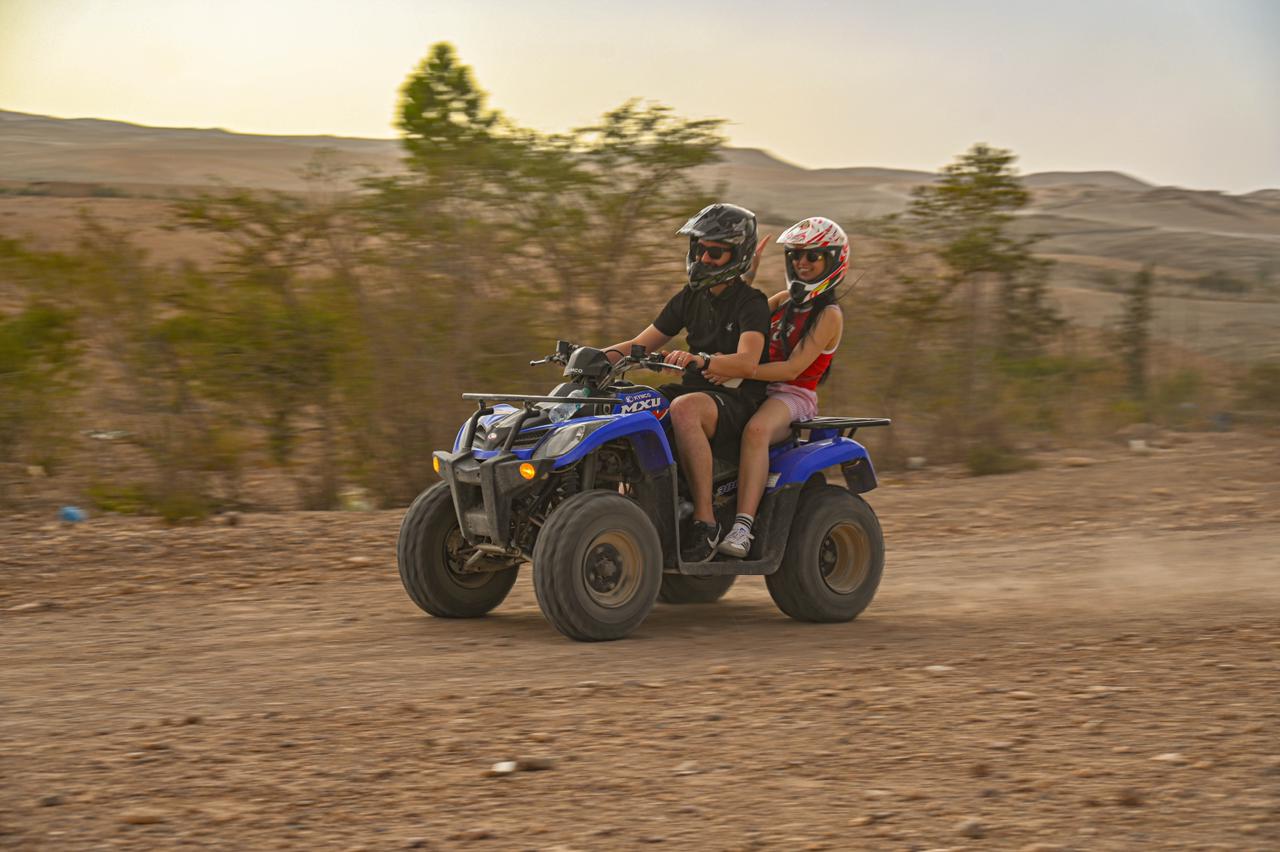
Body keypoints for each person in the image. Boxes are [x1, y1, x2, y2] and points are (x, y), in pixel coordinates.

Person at [605, 203, 771, 562]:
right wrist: (592, 357)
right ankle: (629, 505)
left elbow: (748, 361)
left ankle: (705, 523)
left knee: (683, 408)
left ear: (738, 253)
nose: (703, 259)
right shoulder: (689, 297)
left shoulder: (751, 302)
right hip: (698, 391)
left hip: (736, 400)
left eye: (714, 251)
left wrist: (704, 360)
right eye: (698, 249)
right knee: (631, 405)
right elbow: (640, 344)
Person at [703, 216, 848, 558]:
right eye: (796, 255)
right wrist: (746, 276)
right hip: (755, 386)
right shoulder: (784, 299)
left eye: (813, 256)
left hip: (792, 394)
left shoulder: (829, 315)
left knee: (755, 430)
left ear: (832, 260)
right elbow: (743, 315)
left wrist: (738, 369)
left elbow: (793, 367)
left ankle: (742, 527)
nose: (802, 262)